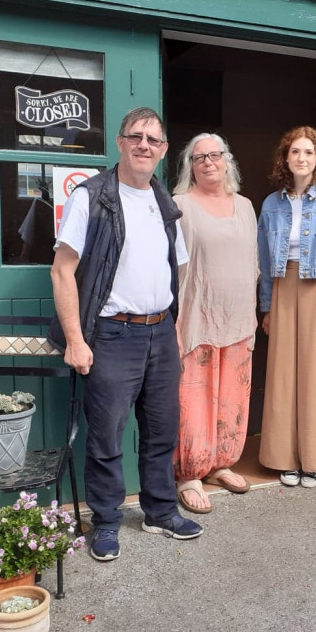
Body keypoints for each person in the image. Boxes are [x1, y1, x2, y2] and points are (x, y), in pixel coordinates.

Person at [48, 106, 203, 562]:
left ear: (162, 151)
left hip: (160, 333)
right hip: (112, 335)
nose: (143, 145)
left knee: (161, 433)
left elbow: (179, 271)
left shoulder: (164, 203)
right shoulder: (92, 197)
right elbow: (62, 271)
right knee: (107, 437)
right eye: (135, 136)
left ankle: (159, 511)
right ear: (119, 142)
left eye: (153, 140)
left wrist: (174, 329)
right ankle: (107, 522)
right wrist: (76, 339)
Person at [257, 126, 316, 488]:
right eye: (295, 152)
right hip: (282, 286)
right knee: (281, 374)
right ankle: (284, 458)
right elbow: (265, 259)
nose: (301, 158)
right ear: (285, 158)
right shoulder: (271, 203)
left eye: (309, 152)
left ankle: (312, 459)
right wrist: (267, 305)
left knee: (314, 375)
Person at [170, 133, 257, 514]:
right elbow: (170, 268)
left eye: (214, 155)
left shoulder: (246, 206)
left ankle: (221, 463)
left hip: (238, 319)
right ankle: (189, 474)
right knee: (193, 399)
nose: (207, 161)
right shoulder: (180, 206)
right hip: (197, 319)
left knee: (232, 398)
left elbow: (253, 264)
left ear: (227, 161)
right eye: (198, 156)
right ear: (190, 165)